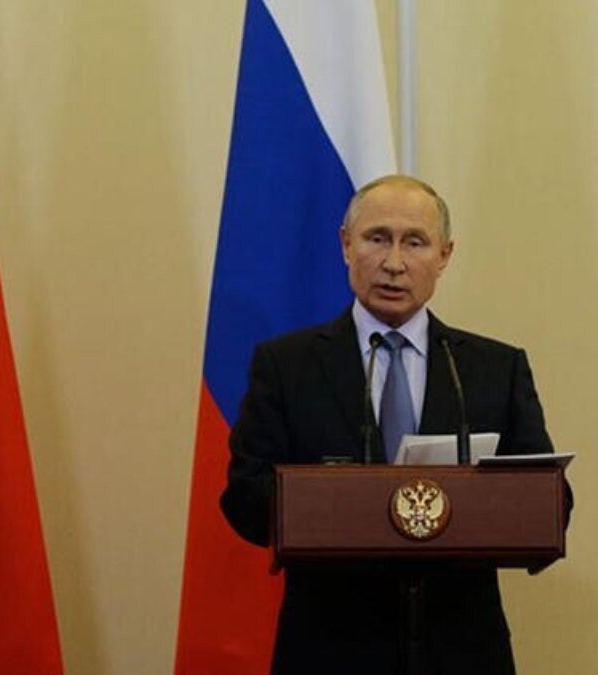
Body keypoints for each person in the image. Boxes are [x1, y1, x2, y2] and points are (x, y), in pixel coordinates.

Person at [220, 175, 568, 674]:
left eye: (415, 242)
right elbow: (244, 496)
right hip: (330, 650)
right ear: (346, 244)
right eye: (377, 238)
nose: (394, 263)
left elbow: (550, 501)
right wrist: (329, 500)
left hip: (462, 651)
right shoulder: (286, 365)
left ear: (444, 255)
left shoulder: (495, 368)